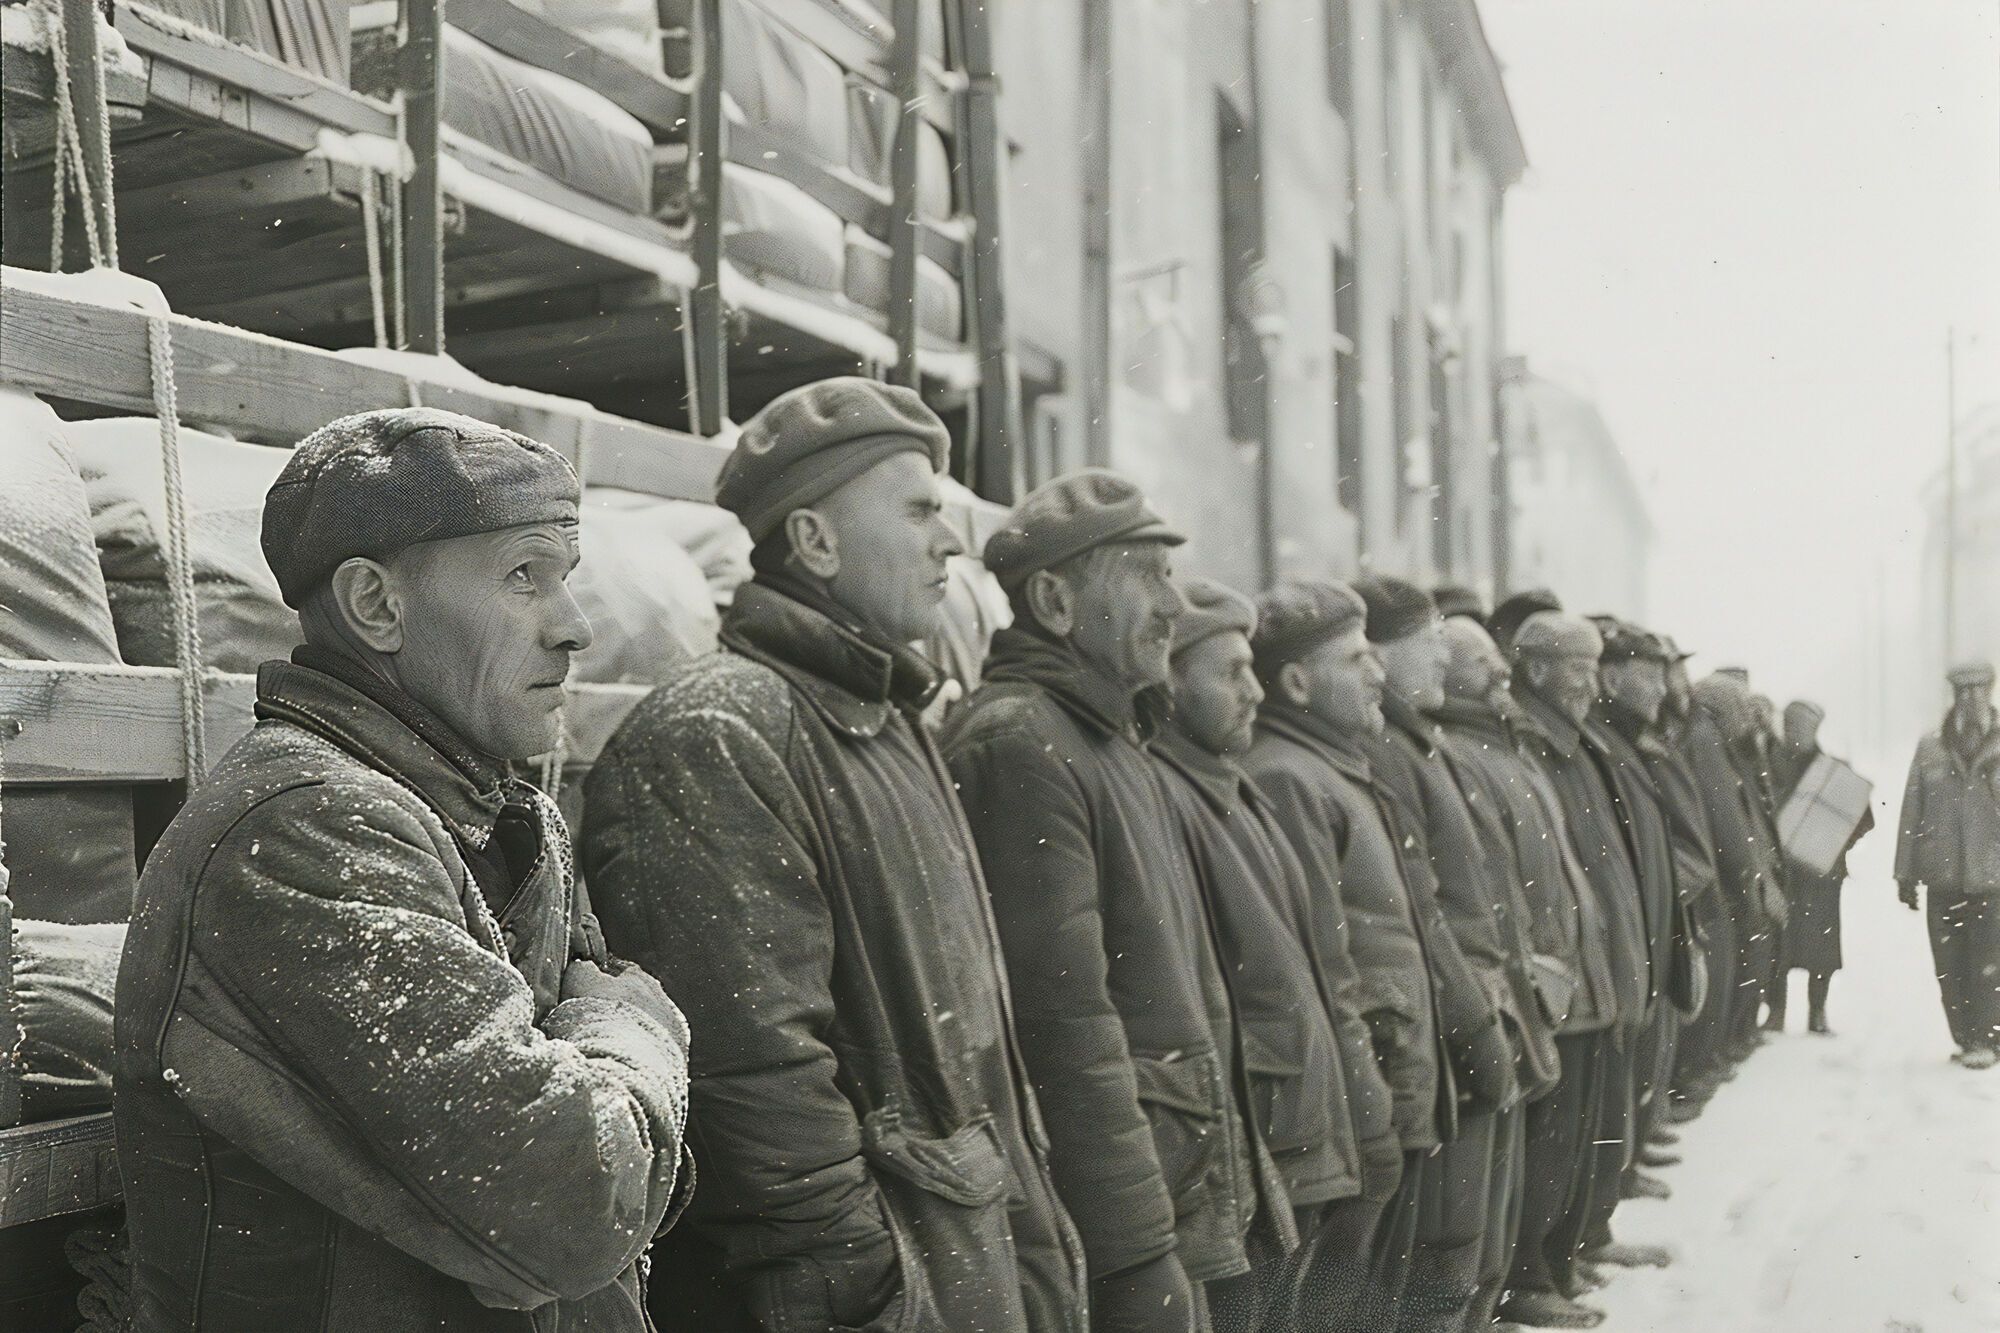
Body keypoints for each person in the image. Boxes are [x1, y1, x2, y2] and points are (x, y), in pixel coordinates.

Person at [113, 409, 694, 1331]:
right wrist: (635, 1024)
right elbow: (572, 1210)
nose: (576, 626)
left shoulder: (495, 812)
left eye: (567, 580)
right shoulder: (308, 832)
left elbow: (581, 1202)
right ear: (377, 606)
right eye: (523, 577)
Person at [581, 379, 1087, 1330]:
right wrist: (871, 1296)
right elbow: (755, 1087)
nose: (951, 541)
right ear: (815, 542)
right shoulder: (718, 733)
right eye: (919, 509)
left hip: (959, 1261)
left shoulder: (889, 719)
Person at [946, 470, 1279, 1331]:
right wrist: (1134, 1241)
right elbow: (1064, 1023)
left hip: (1171, 1181)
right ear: (1055, 600)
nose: (1173, 603)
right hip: (1123, 1214)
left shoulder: (1107, 735)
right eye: (1145, 575)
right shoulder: (1024, 741)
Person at [1242, 580, 1507, 1331]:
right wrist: (1368, 1086)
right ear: (1295, 681)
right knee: (1338, 1297)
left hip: (1388, 1070)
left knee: (1374, 1289)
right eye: (1355, 658)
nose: (1378, 672)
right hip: (1364, 1080)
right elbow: (1322, 961)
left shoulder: (1333, 767)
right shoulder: (1289, 776)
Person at [1151, 576, 1393, 1331]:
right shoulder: (1176, 791)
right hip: (1266, 1129)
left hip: (1297, 1114)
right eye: (1231, 672)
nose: (1254, 692)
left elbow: (1314, 963)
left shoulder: (1233, 785)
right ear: (1168, 681)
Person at [1349, 577, 1527, 1333]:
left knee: (1470, 1241)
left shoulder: (1421, 739)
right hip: (1446, 1017)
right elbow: (1423, 913)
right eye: (1428, 644)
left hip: (1467, 1002)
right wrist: (1475, 1021)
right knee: (1444, 1248)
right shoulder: (1391, 750)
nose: (1442, 660)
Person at [1429, 615, 1613, 1329]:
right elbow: (1487, 881)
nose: (1500, 673)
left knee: (1561, 1135)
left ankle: (1543, 1264)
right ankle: (1525, 1277)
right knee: (1535, 1141)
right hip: (1530, 983)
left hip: (1557, 975)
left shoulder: (1505, 748)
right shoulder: (1461, 753)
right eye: (1482, 665)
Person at [1504, 612, 1655, 1324]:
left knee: (1588, 1123)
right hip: (1564, 971)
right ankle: (1534, 1271)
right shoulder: (1530, 742)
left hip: (1596, 965)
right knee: (1554, 1134)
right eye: (1578, 666)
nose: (1592, 682)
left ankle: (1570, 1253)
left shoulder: (1575, 742)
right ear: (1535, 669)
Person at [1895, 660, 2000, 1068]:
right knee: (1950, 969)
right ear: (1953, 696)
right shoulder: (1931, 747)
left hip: (1991, 875)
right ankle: (1967, 1036)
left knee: (1989, 963)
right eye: (1963, 692)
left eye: (1979, 691)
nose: (1971, 700)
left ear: (1990, 692)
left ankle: (1985, 1041)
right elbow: (1911, 812)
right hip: (1942, 876)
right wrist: (1904, 873)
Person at [1766, 701, 1875, 1036]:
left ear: (1814, 729)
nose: (1792, 732)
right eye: (1788, 724)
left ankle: (1817, 1012)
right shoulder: (1766, 768)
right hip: (1781, 873)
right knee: (1777, 945)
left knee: (1821, 949)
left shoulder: (1832, 771)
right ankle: (1776, 1012)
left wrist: (1831, 842)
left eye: (1800, 725)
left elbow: (1864, 820)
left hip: (1821, 876)